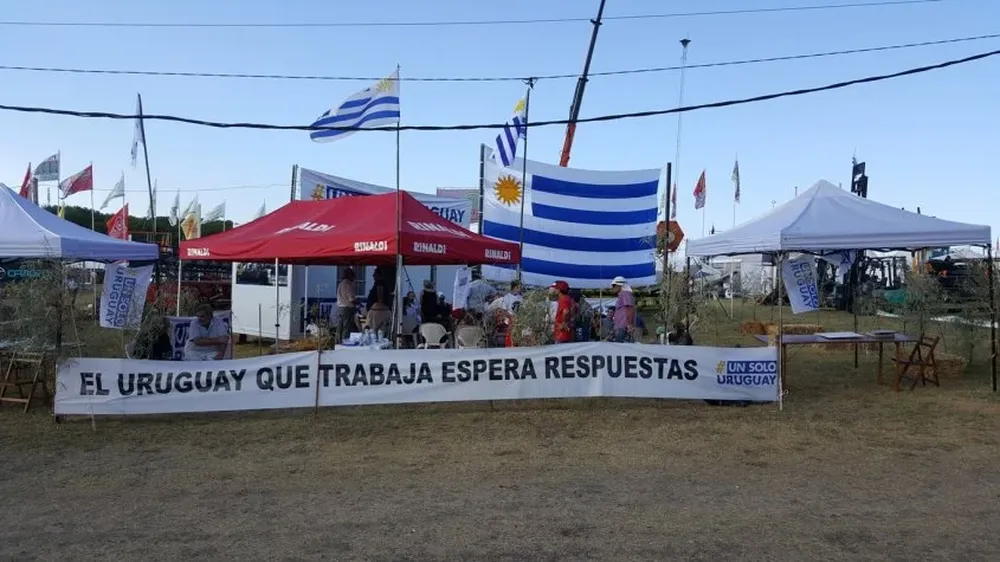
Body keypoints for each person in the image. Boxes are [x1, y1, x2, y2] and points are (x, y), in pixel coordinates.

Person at [366, 267, 392, 335]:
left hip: (378, 311)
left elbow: (380, 297)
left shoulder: (379, 283)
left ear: (378, 275)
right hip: (380, 310)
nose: (373, 276)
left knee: (376, 331)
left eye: (374, 274)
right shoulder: (383, 283)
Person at [610, 276, 635, 343]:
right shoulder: (622, 295)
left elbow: (630, 309)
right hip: (619, 326)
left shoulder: (625, 293)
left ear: (619, 285)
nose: (612, 287)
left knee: (619, 347)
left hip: (623, 325)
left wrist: (630, 324)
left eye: (614, 285)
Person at [335, 268, 358, 341]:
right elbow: (351, 299)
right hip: (347, 309)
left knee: (339, 328)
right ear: (350, 276)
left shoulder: (341, 284)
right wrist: (358, 302)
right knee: (346, 328)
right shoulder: (348, 284)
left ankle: (337, 343)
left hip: (340, 308)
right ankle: (344, 343)